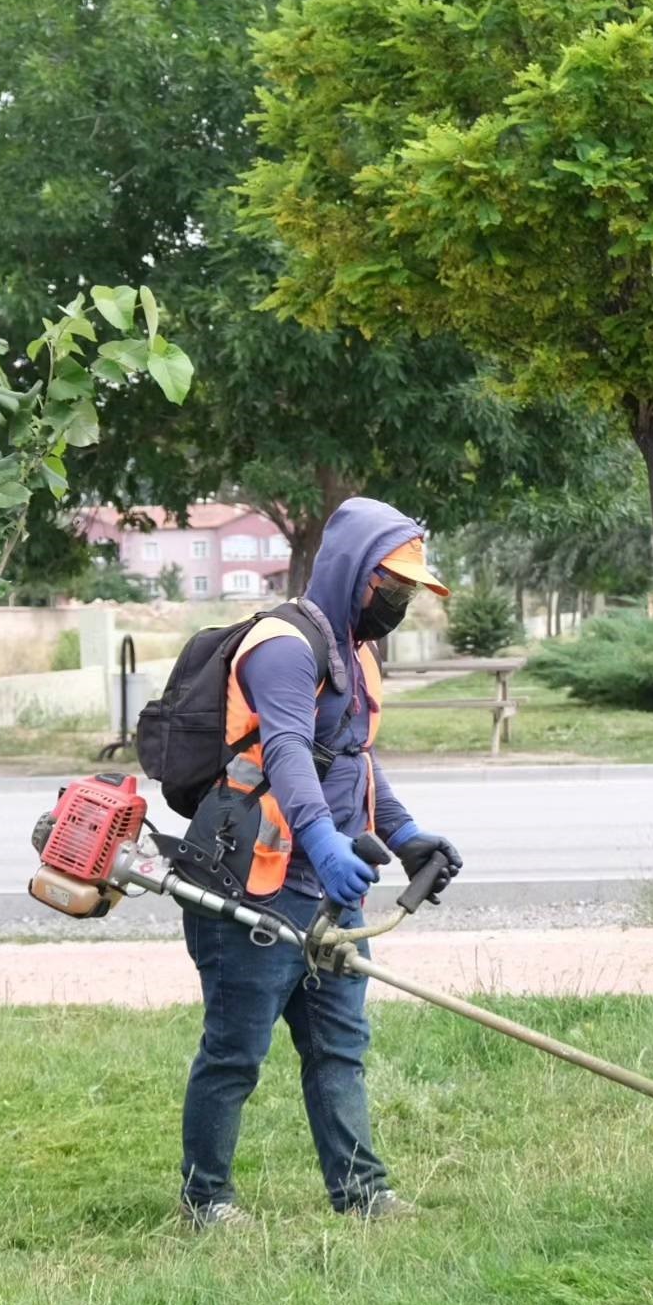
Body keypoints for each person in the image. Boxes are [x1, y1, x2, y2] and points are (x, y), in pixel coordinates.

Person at [179, 497, 462, 1228]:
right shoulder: (282, 646)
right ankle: (205, 1200)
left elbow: (353, 760)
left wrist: (404, 836)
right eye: (389, 588)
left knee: (339, 1047)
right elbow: (286, 752)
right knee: (235, 1053)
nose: (397, 603)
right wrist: (327, 842)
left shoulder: (355, 652)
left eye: (407, 593)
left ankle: (364, 1193)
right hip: (253, 884)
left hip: (327, 891)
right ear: (351, 572)